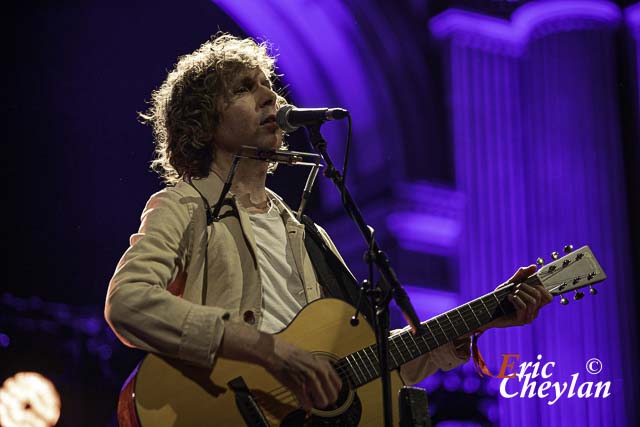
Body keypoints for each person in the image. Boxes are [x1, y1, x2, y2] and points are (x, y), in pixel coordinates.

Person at [104, 33, 552, 414]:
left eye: (269, 85)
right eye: (244, 88)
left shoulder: (306, 233)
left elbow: (366, 361)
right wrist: (269, 350)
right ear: (203, 123)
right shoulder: (184, 205)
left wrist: (475, 324)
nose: (270, 97)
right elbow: (127, 303)